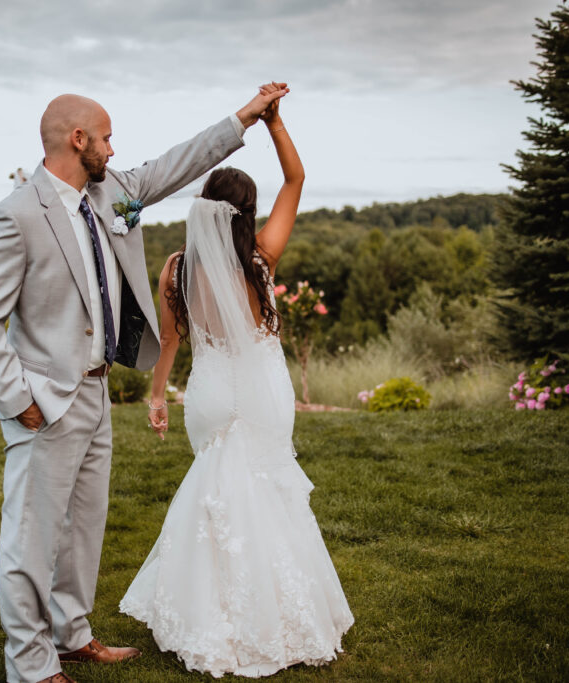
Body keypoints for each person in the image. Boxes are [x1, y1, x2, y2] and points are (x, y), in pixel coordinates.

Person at [0, 85, 289, 683]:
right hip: (45, 399)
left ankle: (72, 634)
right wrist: (19, 400)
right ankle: (30, 665)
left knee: (85, 523)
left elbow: (180, 161)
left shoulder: (113, 192)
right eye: (106, 137)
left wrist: (247, 115)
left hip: (97, 388)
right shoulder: (17, 215)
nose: (115, 148)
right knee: (31, 538)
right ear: (77, 139)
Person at [119, 85, 355, 678]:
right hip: (264, 391)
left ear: (203, 205)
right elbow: (295, 182)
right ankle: (281, 615)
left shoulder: (176, 268)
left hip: (211, 392)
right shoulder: (261, 260)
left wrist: (156, 398)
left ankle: (208, 614)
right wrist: (275, 124)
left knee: (214, 491)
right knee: (270, 491)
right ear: (246, 215)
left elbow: (170, 341)